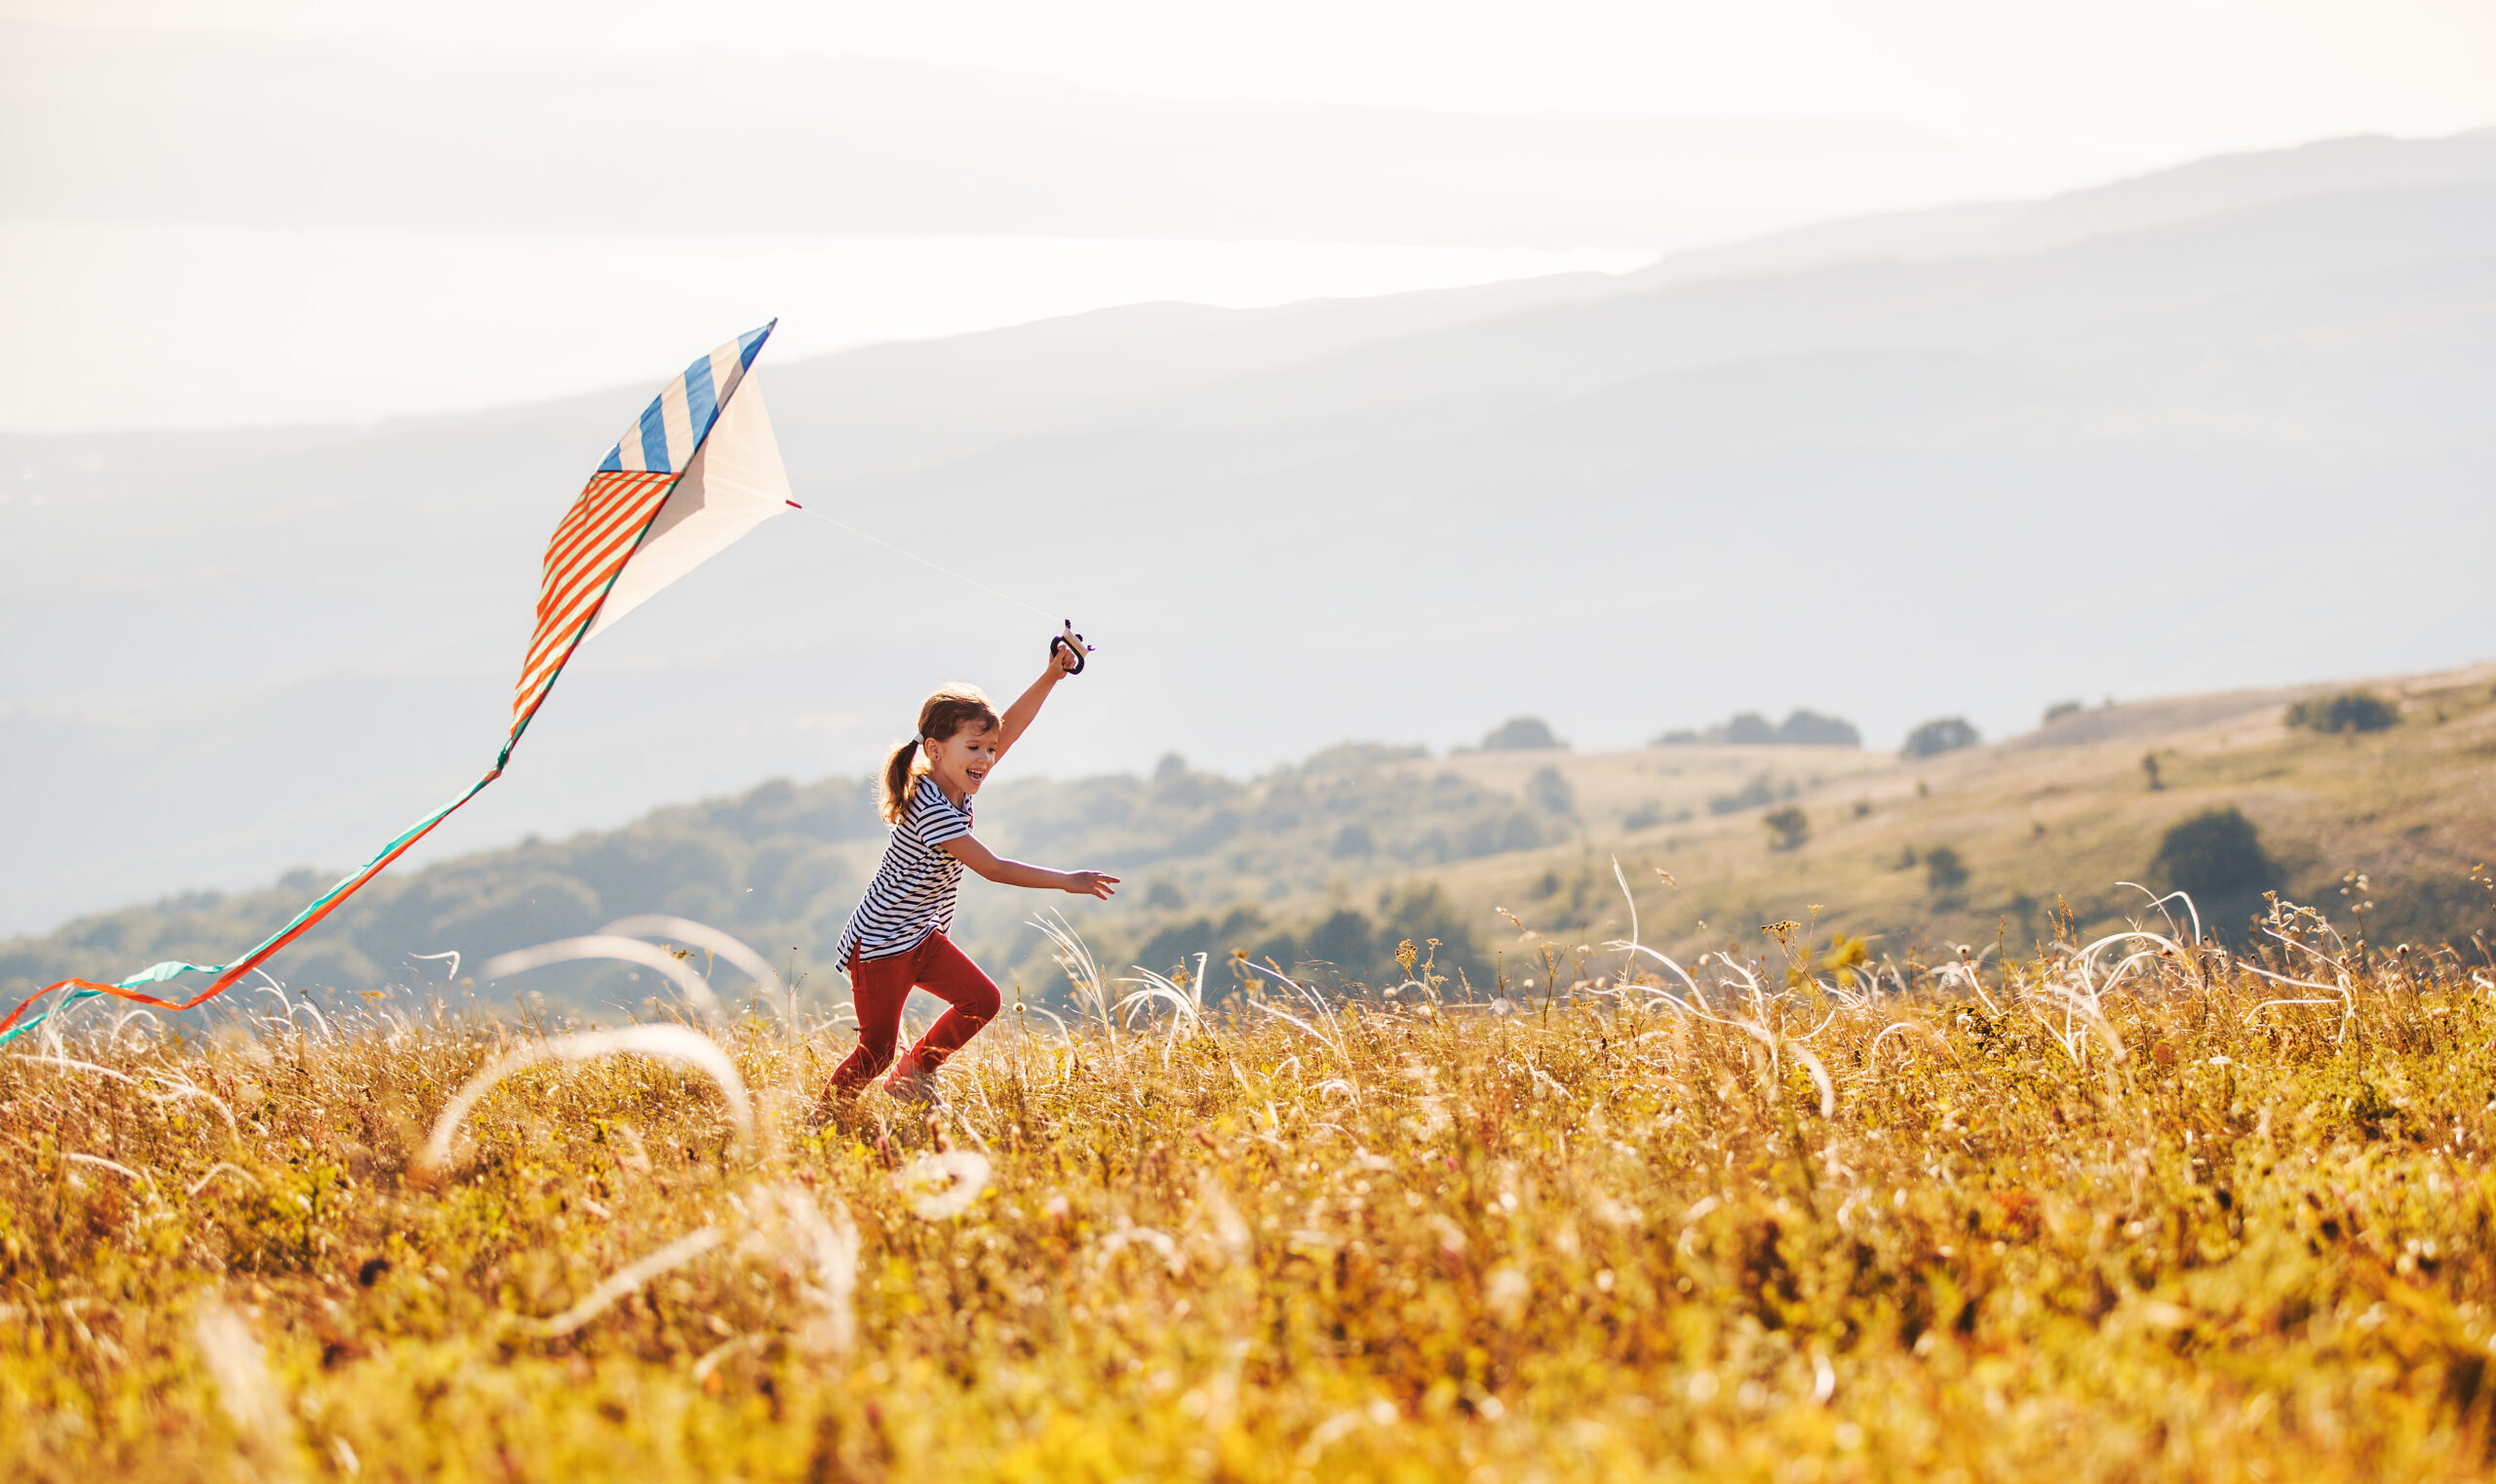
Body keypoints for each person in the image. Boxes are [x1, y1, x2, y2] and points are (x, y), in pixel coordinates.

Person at [816, 638, 1116, 1114]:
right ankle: (825, 1116)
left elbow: (1010, 729)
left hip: (920, 935)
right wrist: (1067, 880)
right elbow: (992, 868)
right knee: (874, 1053)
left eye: (989, 749)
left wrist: (1051, 676)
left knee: (981, 1000)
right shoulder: (931, 806)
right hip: (881, 944)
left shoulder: (957, 781)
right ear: (934, 750)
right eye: (974, 748)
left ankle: (913, 1075)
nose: (986, 759)